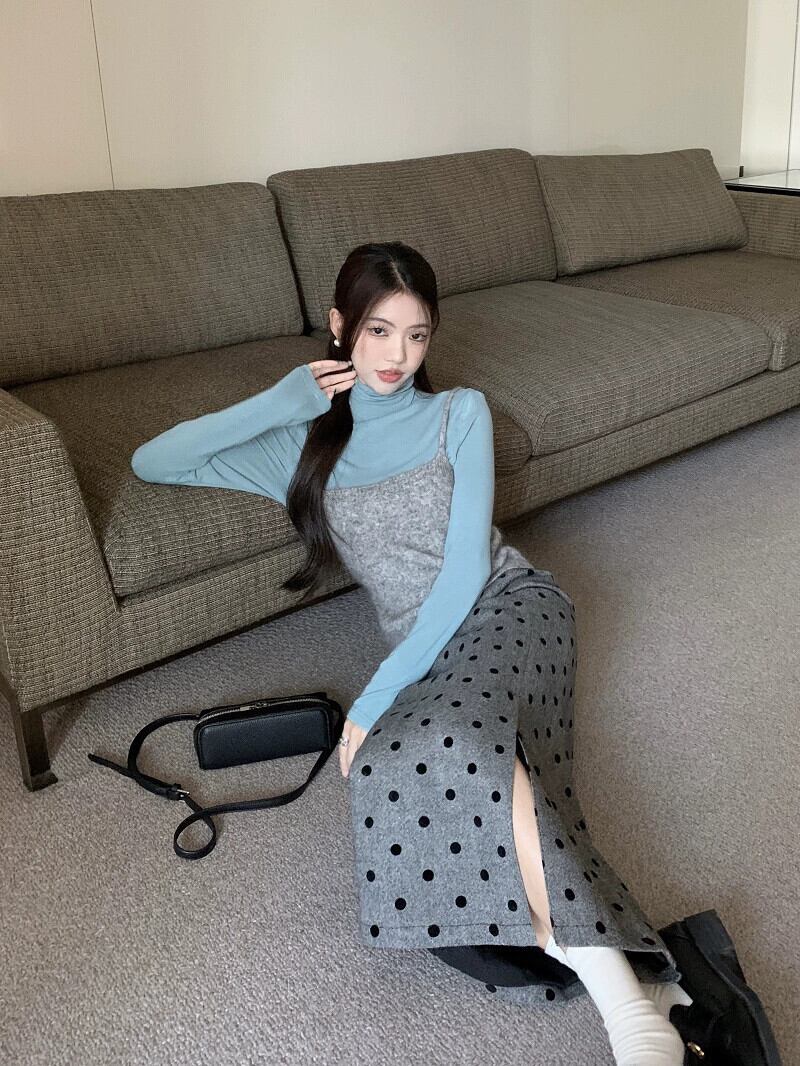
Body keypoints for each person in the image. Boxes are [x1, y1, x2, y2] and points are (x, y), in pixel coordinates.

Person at [131, 242, 781, 1066]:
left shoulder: (459, 413)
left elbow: (468, 570)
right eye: (378, 331)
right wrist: (282, 398)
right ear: (339, 327)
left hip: (511, 605)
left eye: (416, 335)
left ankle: (632, 1022)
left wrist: (374, 699)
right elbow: (153, 460)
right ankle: (643, 989)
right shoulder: (302, 446)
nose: (398, 355)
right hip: (427, 654)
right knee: (390, 771)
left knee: (454, 743)